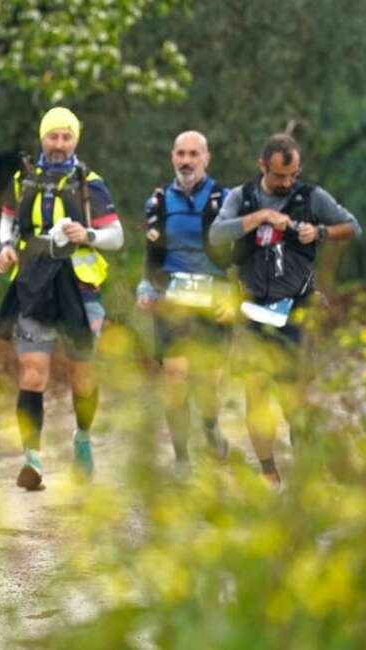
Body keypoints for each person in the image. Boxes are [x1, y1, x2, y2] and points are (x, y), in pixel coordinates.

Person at [209, 133, 361, 486]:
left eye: (292, 175)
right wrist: (259, 217)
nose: (286, 182)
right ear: (262, 166)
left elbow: (352, 227)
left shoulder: (311, 197)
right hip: (250, 308)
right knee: (257, 394)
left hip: (296, 309)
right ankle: (268, 473)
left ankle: (305, 476)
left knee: (297, 398)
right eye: (279, 176)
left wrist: (318, 232)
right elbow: (216, 235)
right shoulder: (240, 197)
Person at [0, 107, 124, 490]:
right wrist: (4, 248)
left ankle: (82, 438)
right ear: (42, 138)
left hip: (81, 290)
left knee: (82, 376)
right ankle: (31, 461)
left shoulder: (90, 183)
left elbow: (116, 236)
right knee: (32, 374)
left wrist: (88, 235)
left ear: (76, 141)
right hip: (33, 287)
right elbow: (6, 221)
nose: (59, 144)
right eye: (53, 136)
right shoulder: (23, 179)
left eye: (66, 137)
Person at [136, 131, 232, 476]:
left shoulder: (227, 199)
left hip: (213, 299)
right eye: (181, 153)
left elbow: (242, 254)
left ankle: (210, 428)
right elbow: (152, 254)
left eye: (194, 154)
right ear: (172, 157)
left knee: (207, 382)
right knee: (174, 377)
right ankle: (181, 459)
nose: (187, 160)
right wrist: (145, 288)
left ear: (207, 158)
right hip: (172, 299)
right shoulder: (159, 201)